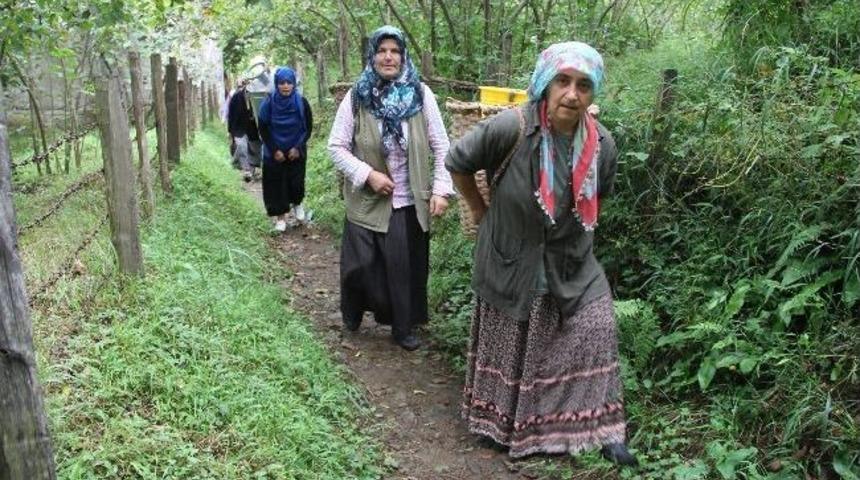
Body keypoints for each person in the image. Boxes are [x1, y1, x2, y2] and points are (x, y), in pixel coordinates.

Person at [445, 42, 638, 466]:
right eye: (563, 82)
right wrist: (479, 208)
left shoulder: (603, 145)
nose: (572, 94)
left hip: (572, 260)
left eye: (584, 85)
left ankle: (601, 429)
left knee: (596, 328)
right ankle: (501, 424)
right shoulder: (510, 128)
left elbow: (597, 197)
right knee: (514, 340)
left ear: (594, 92)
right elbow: (457, 160)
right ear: (545, 84)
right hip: (512, 256)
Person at [327, 25, 454, 351]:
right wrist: (367, 174)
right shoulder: (358, 96)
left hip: (408, 200)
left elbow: (441, 146)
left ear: (403, 55)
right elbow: (337, 147)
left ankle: (402, 326)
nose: (388, 57)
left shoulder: (421, 94)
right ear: (372, 55)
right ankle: (353, 311)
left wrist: (440, 188)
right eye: (382, 50)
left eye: (394, 51)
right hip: (367, 200)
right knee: (359, 267)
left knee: (402, 269)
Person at [257, 67, 313, 231]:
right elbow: (263, 128)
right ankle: (281, 219)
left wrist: (297, 147)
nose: (286, 86)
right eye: (282, 83)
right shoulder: (268, 103)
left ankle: (297, 204)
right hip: (274, 152)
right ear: (277, 84)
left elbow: (307, 128)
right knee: (276, 184)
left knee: (295, 182)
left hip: (296, 151)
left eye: (289, 82)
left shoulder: (301, 102)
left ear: (294, 84)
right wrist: (275, 150)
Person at [227, 79, 263, 182]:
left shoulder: (258, 96)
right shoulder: (236, 97)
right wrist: (230, 130)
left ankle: (252, 168)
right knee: (241, 146)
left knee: (255, 147)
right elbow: (231, 114)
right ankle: (246, 169)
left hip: (254, 127)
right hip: (239, 126)